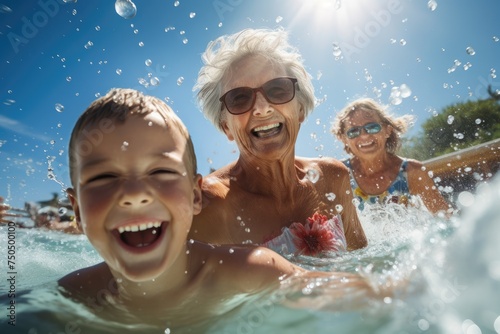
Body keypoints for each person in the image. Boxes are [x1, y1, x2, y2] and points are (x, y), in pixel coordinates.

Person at [59, 88, 390, 330]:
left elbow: (372, 299)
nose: (133, 195)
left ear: (195, 196)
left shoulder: (255, 270)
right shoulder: (67, 299)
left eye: (160, 172)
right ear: (76, 208)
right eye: (104, 177)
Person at [189, 28, 367, 253]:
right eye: (240, 98)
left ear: (300, 109)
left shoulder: (333, 178)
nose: (262, 109)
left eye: (278, 89)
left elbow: (365, 267)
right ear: (227, 127)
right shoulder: (208, 207)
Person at [331, 97, 452, 213]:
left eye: (372, 127)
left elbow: (444, 220)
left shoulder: (412, 172)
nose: (364, 136)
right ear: (344, 139)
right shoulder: (339, 174)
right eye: (353, 131)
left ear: (388, 130)